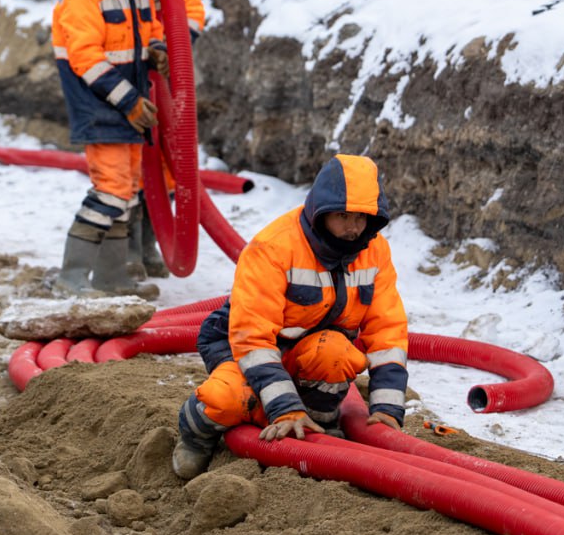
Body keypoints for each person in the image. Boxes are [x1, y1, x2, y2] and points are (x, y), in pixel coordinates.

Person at [172, 154, 410, 480]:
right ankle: (196, 435)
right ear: (321, 211)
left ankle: (317, 427)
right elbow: (252, 338)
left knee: (338, 354)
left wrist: (387, 410)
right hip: (244, 348)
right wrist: (284, 408)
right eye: (343, 215)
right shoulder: (274, 247)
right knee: (227, 399)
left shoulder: (375, 251)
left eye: (362, 217)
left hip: (312, 348)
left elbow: (388, 331)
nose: (354, 227)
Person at [50, 0, 168, 298]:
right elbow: (86, 56)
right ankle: (71, 279)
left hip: (125, 103)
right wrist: (130, 101)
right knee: (111, 189)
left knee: (128, 189)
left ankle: (112, 279)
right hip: (100, 103)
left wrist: (156, 48)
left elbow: (149, 26)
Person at [113, 0, 208, 279]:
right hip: (121, 74)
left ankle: (153, 245)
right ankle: (130, 252)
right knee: (128, 164)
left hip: (164, 76)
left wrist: (171, 51)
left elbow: (192, 13)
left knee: (167, 162)